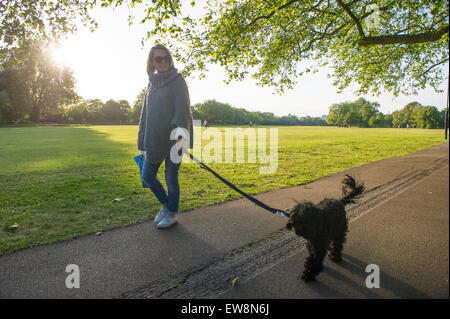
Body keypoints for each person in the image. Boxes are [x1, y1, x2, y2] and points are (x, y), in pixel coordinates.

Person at [137, 44, 194, 229]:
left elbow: (182, 109)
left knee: (171, 178)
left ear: (169, 60)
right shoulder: (151, 83)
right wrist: (142, 138)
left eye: (165, 58)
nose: (162, 61)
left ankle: (172, 214)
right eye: (157, 58)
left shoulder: (178, 80)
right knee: (147, 176)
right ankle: (166, 205)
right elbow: (145, 114)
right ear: (152, 62)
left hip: (174, 139)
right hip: (154, 139)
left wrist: (180, 134)